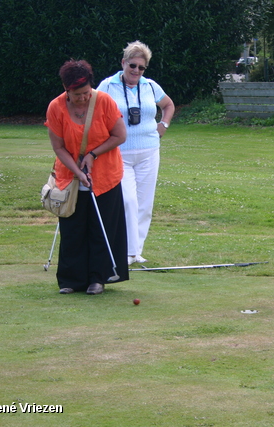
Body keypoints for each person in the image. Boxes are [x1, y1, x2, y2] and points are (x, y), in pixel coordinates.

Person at [46, 59, 128, 295]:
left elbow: (119, 136)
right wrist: (77, 171)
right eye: (76, 94)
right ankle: (71, 280)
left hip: (105, 175)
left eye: (85, 92)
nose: (82, 98)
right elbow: (59, 147)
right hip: (70, 178)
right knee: (72, 228)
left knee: (100, 228)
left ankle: (97, 278)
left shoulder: (103, 101)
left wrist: (92, 154)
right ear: (66, 89)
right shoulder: (56, 107)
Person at [97, 40, 175, 265]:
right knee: (128, 201)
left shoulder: (150, 86)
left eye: (141, 68)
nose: (136, 71)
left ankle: (136, 251)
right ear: (123, 63)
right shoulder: (107, 86)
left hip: (149, 150)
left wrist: (164, 125)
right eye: (132, 65)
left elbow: (168, 105)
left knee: (144, 203)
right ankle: (126, 250)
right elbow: (94, 110)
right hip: (119, 153)